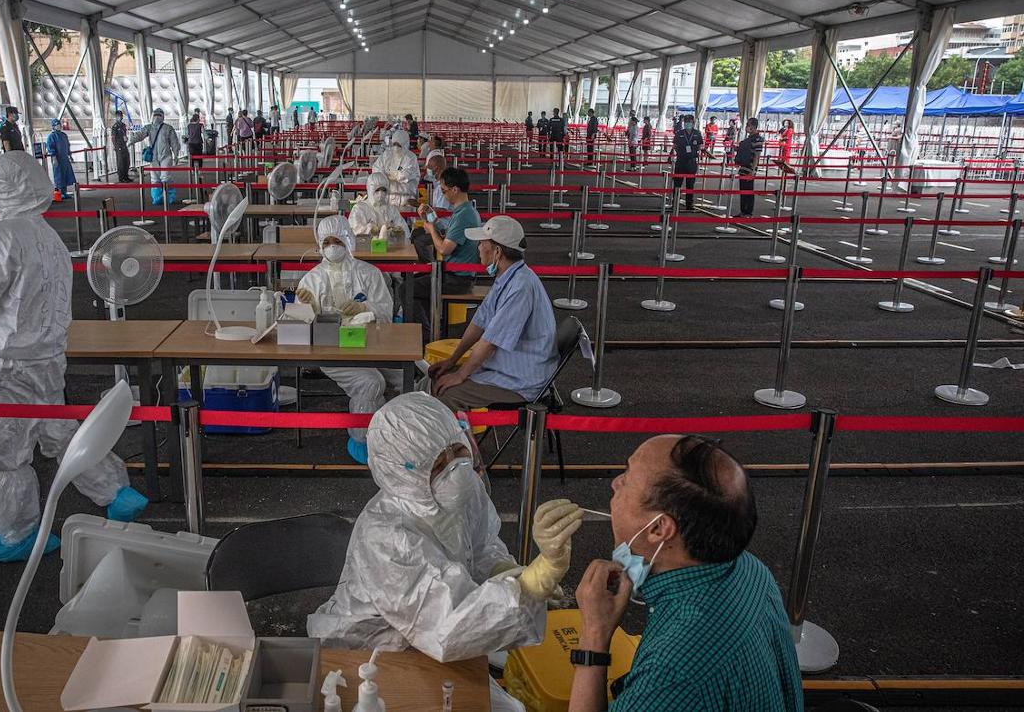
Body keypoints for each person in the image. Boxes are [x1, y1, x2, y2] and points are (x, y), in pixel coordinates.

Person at [0, 152, 147, 562]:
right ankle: (116, 491)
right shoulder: (47, 237)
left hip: (7, 364)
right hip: (48, 357)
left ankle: (18, 533)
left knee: (10, 450)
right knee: (57, 431)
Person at [308, 391, 583, 667]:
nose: (456, 469)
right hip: (369, 650)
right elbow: (446, 627)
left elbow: (481, 547)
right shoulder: (388, 537)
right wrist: (530, 586)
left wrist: (508, 573)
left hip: (428, 639)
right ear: (404, 474)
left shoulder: (465, 490)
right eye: (439, 464)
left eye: (459, 451)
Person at [568, 435, 801, 712]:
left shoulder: (675, 676)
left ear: (658, 529)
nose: (615, 483)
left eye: (627, 478)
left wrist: (594, 635)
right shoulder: (750, 569)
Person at [295, 215, 399, 463]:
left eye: (337, 240)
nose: (333, 246)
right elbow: (300, 326)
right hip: (332, 350)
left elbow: (386, 311)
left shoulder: (369, 273)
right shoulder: (311, 280)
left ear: (348, 240)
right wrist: (309, 308)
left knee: (403, 379)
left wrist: (365, 309)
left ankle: (394, 437)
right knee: (371, 383)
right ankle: (362, 442)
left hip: (372, 344)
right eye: (327, 241)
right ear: (320, 244)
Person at [427, 216, 558, 413]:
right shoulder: (508, 276)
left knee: (448, 396)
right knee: (439, 382)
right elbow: (479, 322)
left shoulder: (520, 287)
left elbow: (489, 342)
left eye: (482, 243)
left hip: (521, 381)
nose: (478, 248)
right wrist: (453, 360)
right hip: (507, 368)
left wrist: (460, 374)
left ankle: (459, 444)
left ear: (497, 251)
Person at [412, 166, 480, 342]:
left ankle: (423, 338)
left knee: (407, 289)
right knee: (415, 283)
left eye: (444, 191)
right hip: (456, 274)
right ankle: (428, 330)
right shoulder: (464, 211)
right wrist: (431, 218)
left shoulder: (465, 215)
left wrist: (430, 228)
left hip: (457, 279)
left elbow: (443, 248)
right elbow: (450, 233)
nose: (443, 195)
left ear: (455, 189)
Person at [129, 107, 180, 206]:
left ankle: (166, 197)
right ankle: (160, 198)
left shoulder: (166, 128)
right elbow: (140, 135)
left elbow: (174, 142)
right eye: (156, 115)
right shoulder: (150, 128)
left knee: (165, 177)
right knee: (156, 178)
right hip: (157, 157)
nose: (157, 117)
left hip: (165, 156)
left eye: (158, 115)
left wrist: (176, 154)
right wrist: (131, 140)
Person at [349, 172, 409, 241]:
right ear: (370, 189)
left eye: (383, 190)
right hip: (366, 249)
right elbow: (354, 231)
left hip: (390, 248)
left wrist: (396, 231)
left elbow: (405, 231)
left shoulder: (391, 209)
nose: (380, 193)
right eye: (377, 190)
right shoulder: (359, 209)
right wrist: (371, 229)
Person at [371, 127, 420, 206]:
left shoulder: (410, 157)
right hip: (388, 198)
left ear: (405, 144)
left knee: (405, 216)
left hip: (406, 198)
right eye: (394, 144)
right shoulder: (387, 154)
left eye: (399, 145)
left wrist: (392, 176)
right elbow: (376, 169)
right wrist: (384, 176)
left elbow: (407, 174)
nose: (396, 147)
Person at [671, 114, 706, 212]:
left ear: (693, 123)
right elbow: (675, 146)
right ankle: (675, 202)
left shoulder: (697, 133)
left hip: (691, 161)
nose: (687, 124)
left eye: (689, 122)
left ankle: (689, 204)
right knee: (677, 183)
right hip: (681, 160)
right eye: (686, 122)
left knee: (690, 184)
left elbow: (700, 146)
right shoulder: (679, 133)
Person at [734, 117, 765, 218]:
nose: (747, 127)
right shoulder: (747, 139)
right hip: (743, 167)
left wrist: (753, 170)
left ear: (753, 126)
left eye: (748, 125)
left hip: (750, 168)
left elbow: (757, 156)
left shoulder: (758, 139)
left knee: (749, 191)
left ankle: (748, 212)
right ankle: (743, 211)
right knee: (743, 190)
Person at [44, 119, 75, 201]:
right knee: (58, 175)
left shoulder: (63, 135)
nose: (59, 126)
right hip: (57, 158)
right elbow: (50, 147)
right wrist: (54, 158)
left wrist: (70, 155)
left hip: (65, 158)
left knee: (65, 174)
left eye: (59, 124)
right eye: (56, 125)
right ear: (53, 126)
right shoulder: (52, 136)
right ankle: (59, 193)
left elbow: (67, 145)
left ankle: (64, 192)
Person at [111, 110, 131, 182]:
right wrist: (115, 145)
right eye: (118, 115)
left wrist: (126, 138)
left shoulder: (123, 125)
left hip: (124, 145)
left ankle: (126, 176)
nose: (120, 117)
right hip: (118, 146)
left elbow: (125, 134)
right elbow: (113, 137)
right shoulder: (115, 126)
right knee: (121, 162)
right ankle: (121, 177)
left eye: (121, 115)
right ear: (116, 117)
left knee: (127, 161)